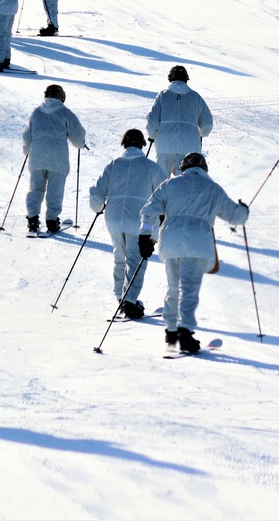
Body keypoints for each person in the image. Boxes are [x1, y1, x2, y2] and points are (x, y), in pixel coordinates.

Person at [139, 152, 249, 354]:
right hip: (197, 242)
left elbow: (149, 210)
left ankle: (171, 331)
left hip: (171, 240)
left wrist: (145, 234)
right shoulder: (213, 189)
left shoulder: (170, 185)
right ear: (204, 168)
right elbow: (236, 216)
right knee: (189, 288)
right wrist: (244, 210)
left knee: (173, 286)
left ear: (183, 167)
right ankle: (186, 332)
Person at [89, 129, 168, 319]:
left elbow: (96, 193)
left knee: (119, 256)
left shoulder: (113, 165)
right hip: (140, 220)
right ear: (142, 144)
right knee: (136, 260)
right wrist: (164, 215)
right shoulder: (152, 167)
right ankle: (130, 301)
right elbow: (165, 193)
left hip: (114, 217)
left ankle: (120, 296)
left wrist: (98, 207)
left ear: (124, 144)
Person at [22, 84, 87, 233]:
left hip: (37, 156)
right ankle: (51, 220)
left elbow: (27, 135)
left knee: (36, 188)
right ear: (61, 97)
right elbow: (78, 137)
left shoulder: (36, 113)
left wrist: (26, 150)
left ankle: (32, 219)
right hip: (57, 158)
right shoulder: (65, 113)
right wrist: (82, 144)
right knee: (55, 189)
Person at [145, 65, 214, 178]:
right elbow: (207, 122)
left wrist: (152, 135)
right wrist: (202, 134)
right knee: (185, 178)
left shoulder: (163, 95)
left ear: (170, 78)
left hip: (165, 141)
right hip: (189, 142)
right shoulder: (195, 96)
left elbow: (152, 121)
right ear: (186, 79)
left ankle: (161, 195)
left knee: (161, 178)